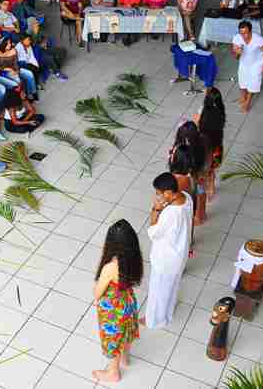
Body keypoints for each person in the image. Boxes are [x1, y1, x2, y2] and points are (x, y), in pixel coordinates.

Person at [92, 219, 143, 383]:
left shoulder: (110, 267)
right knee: (126, 330)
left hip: (113, 307)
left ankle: (113, 372)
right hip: (128, 301)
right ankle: (125, 358)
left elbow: (97, 292)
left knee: (114, 337)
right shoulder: (133, 258)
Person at [143, 172, 192, 330]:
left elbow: (153, 232)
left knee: (157, 290)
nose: (158, 196)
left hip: (165, 258)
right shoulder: (186, 198)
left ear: (168, 193)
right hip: (179, 254)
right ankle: (167, 314)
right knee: (171, 286)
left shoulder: (170, 214)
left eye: (159, 193)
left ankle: (154, 320)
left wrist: (156, 210)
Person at [194, 88, 226, 203]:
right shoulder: (221, 110)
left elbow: (195, 123)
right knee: (211, 169)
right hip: (216, 146)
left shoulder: (202, 110)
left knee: (204, 170)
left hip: (204, 147)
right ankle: (211, 186)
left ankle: (206, 187)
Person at [232, 20, 263, 112]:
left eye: (246, 33)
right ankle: (243, 98)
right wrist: (238, 53)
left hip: (257, 63)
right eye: (242, 33)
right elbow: (235, 57)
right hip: (244, 62)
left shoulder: (259, 40)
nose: (244, 36)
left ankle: (247, 103)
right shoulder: (237, 39)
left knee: (253, 83)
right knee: (242, 81)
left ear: (251, 31)